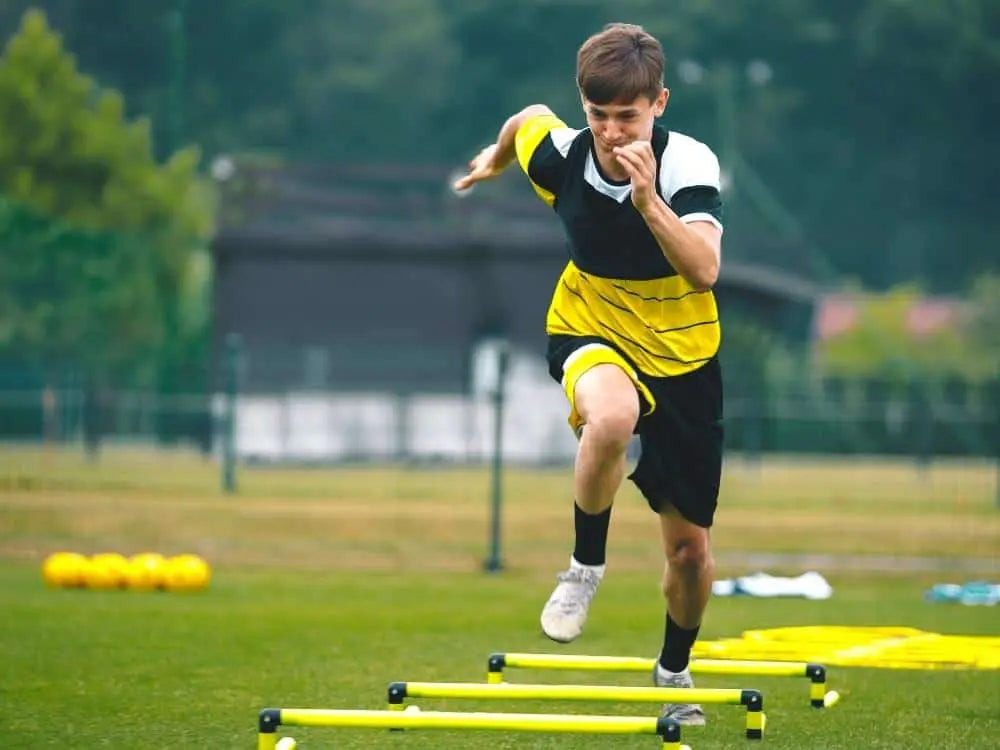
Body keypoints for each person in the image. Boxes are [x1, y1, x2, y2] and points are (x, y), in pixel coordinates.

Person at [454, 22, 724, 726]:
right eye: (597, 114)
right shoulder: (562, 155)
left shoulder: (688, 163)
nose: (609, 131)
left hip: (684, 355)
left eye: (626, 116)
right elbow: (526, 121)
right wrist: (494, 159)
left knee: (689, 552)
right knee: (611, 417)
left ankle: (674, 668)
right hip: (589, 324)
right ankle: (583, 570)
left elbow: (704, 270)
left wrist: (648, 200)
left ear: (659, 103)